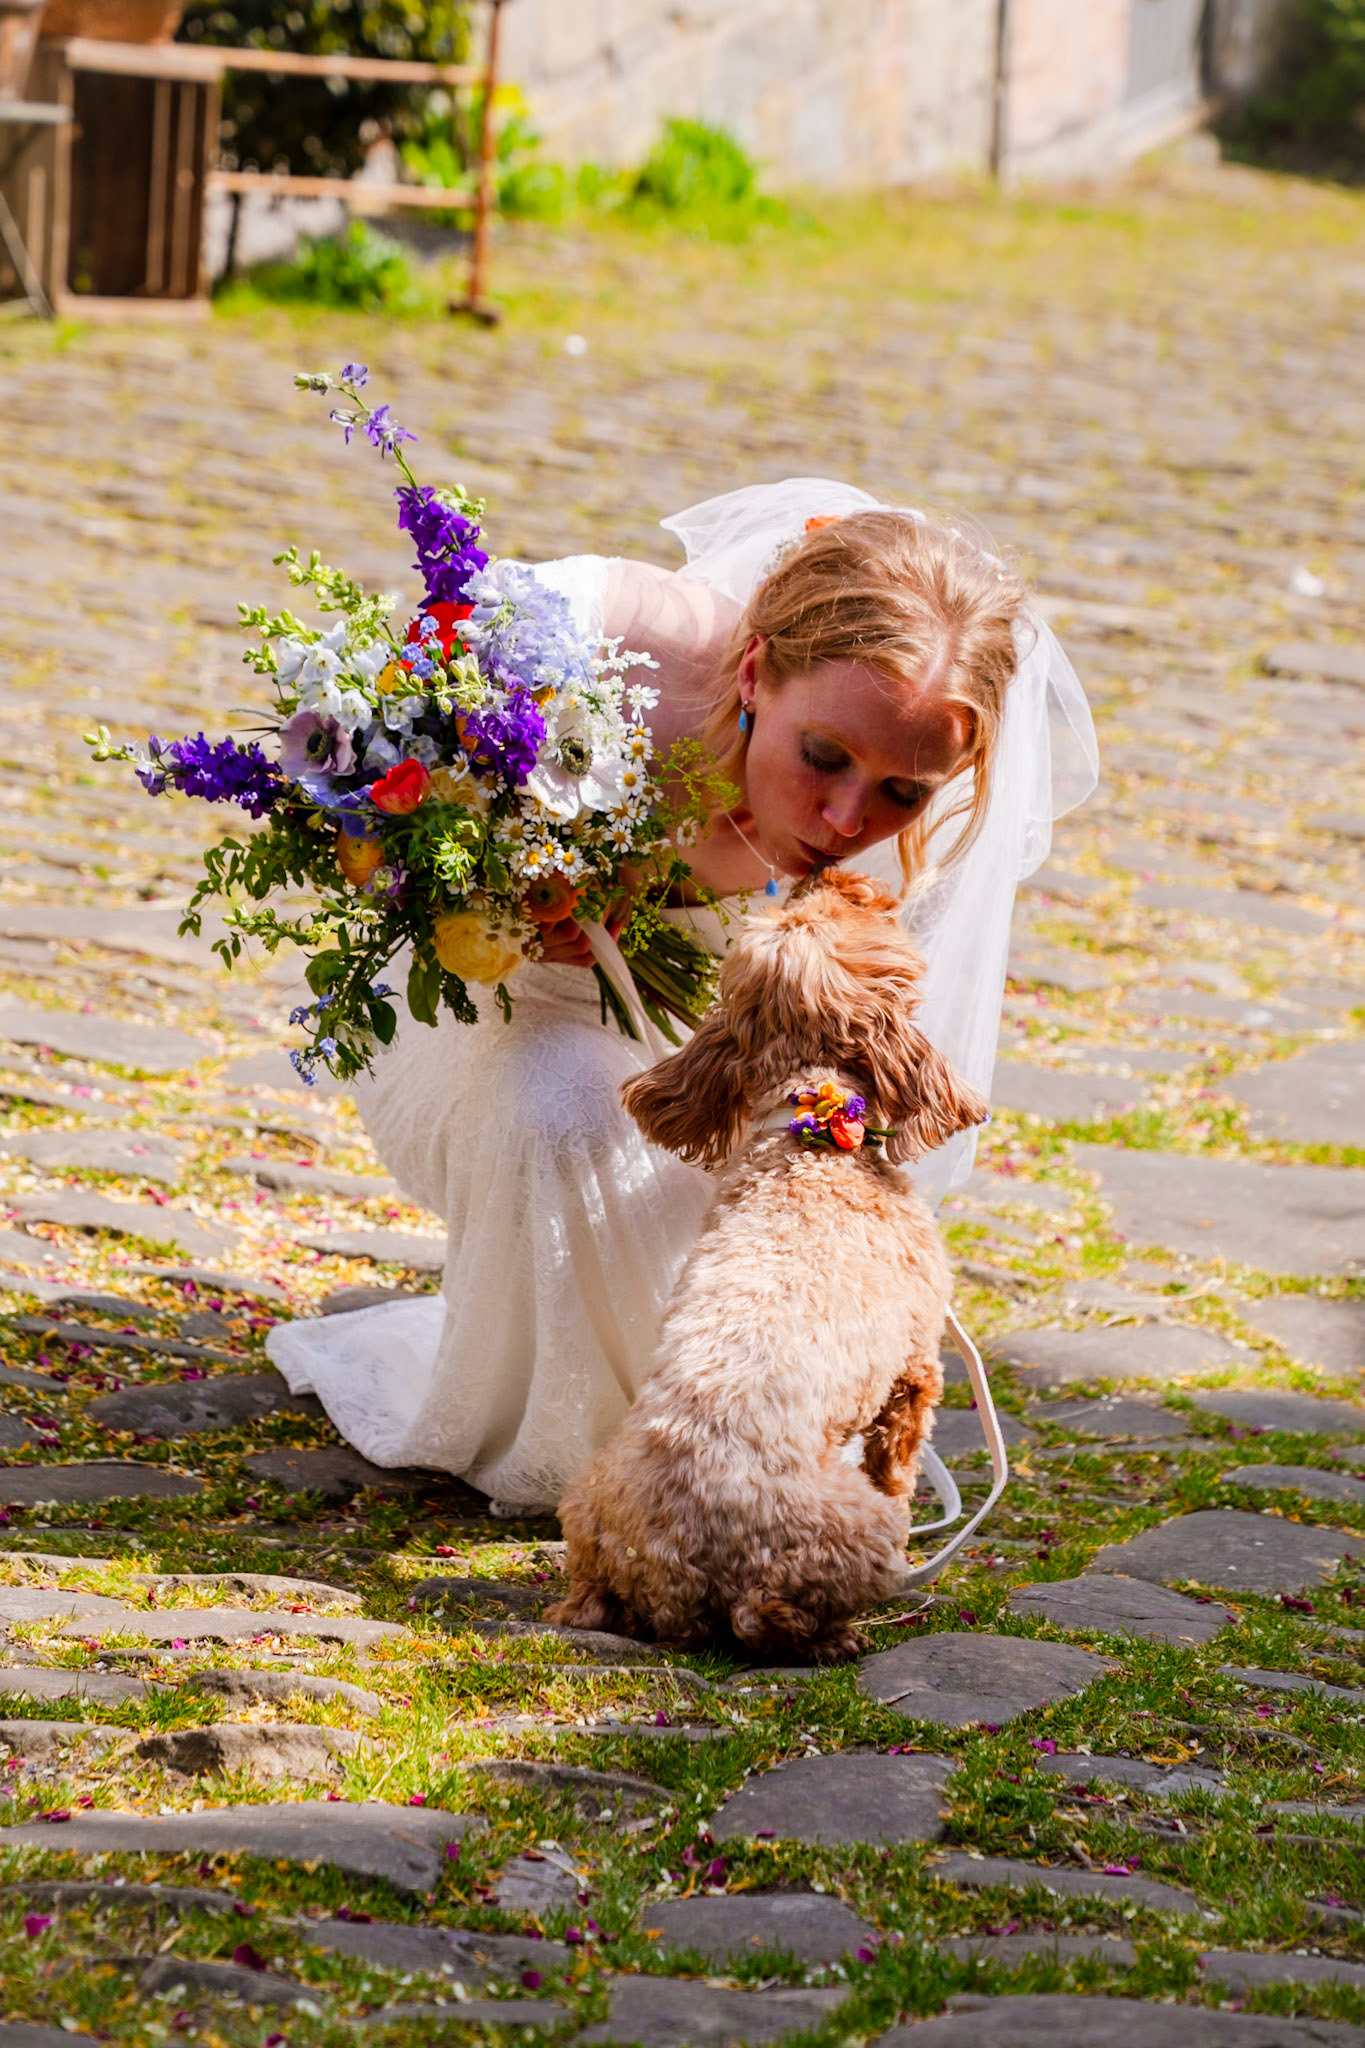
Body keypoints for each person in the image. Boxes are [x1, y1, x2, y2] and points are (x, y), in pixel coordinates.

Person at [266, 480, 1098, 1512]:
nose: (847, 816)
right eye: (823, 756)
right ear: (757, 669)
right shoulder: (603, 642)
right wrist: (498, 881)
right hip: (494, 1004)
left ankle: (708, 1421)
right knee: (563, 1100)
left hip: (705, 1040)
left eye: (902, 792)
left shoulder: (916, 816)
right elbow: (408, 715)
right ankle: (577, 1447)